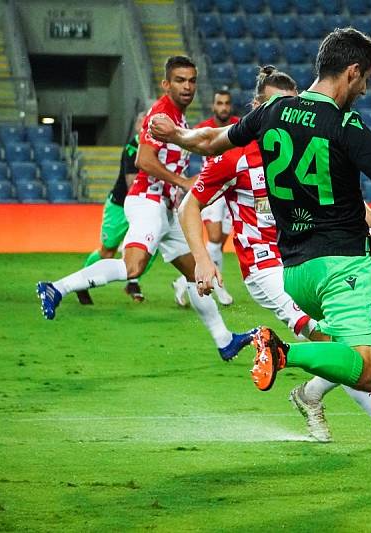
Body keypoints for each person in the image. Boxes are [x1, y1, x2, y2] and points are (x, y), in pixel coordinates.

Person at [150, 29, 371, 481]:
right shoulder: (345, 124)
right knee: (365, 369)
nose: (365, 89)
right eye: (366, 80)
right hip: (343, 266)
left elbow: (209, 143)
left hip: (296, 272)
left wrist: (177, 134)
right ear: (352, 71)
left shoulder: (272, 112)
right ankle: (283, 353)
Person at [178, 65, 371, 444]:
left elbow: (335, 200)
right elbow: (190, 204)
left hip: (306, 258)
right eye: (273, 105)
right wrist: (203, 259)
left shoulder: (302, 137)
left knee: (365, 346)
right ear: (258, 107)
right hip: (266, 268)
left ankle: (313, 396)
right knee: (338, 347)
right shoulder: (234, 155)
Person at [36, 56, 255, 361]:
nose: (187, 86)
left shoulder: (178, 117)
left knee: (196, 274)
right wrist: (182, 181)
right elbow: (143, 160)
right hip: (147, 201)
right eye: (180, 80)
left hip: (166, 209)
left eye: (192, 80)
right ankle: (56, 288)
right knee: (132, 267)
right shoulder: (161, 114)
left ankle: (225, 340)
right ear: (166, 84)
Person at [75, 112, 157, 305]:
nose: (146, 127)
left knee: (149, 247)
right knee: (108, 251)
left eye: (150, 123)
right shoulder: (132, 148)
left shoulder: (157, 148)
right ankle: (81, 282)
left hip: (144, 206)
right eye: (143, 123)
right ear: (138, 126)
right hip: (120, 206)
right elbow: (131, 184)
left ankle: (133, 282)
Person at [173, 89, 239, 307]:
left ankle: (184, 281)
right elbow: (182, 152)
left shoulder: (240, 126)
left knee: (219, 242)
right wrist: (183, 179)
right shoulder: (204, 128)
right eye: (219, 103)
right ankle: (216, 286)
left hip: (234, 190)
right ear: (213, 106)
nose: (223, 107)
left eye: (226, 103)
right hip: (212, 190)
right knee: (214, 237)